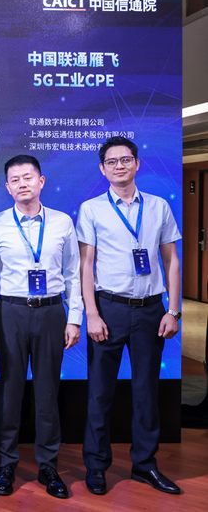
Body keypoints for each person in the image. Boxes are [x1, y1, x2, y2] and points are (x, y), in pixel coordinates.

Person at [77, 136, 182, 495]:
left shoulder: (158, 207)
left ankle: (145, 464)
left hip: (151, 310)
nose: (119, 166)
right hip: (109, 308)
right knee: (100, 393)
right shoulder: (91, 209)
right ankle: (96, 466)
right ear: (102, 168)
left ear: (137, 163)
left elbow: (171, 260)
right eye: (112, 161)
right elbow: (86, 265)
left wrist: (173, 310)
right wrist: (91, 313)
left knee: (146, 391)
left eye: (125, 160)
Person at [0, 154, 82, 499]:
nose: (22, 184)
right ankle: (6, 464)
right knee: (9, 391)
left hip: (51, 312)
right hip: (10, 311)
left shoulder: (62, 222)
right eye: (15, 179)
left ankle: (48, 465)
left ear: (41, 181)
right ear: (7, 187)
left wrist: (74, 318)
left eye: (28, 177)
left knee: (47, 391)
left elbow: (73, 274)